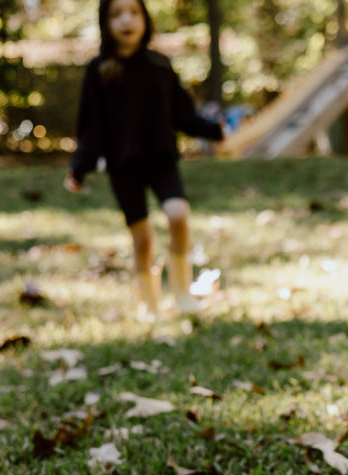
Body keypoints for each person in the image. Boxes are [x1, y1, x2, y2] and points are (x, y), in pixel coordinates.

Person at [64, 0, 225, 320]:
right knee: (142, 239)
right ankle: (150, 305)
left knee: (178, 215)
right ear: (105, 22)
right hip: (123, 166)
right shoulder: (99, 70)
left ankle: (181, 293)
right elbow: (91, 128)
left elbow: (183, 114)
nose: (127, 20)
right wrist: (78, 168)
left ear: (145, 18)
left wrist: (213, 131)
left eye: (134, 12)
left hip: (162, 159)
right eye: (117, 14)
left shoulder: (160, 66)